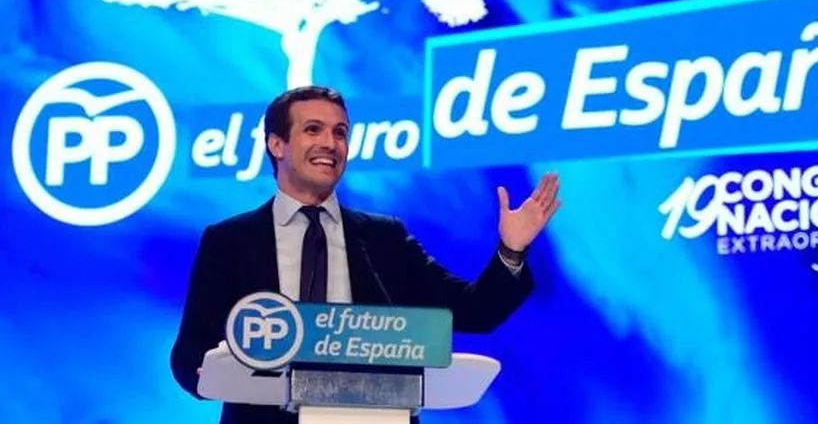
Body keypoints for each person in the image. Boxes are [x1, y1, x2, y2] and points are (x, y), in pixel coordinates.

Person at [170, 85, 561, 424]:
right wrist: (212, 376)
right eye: (313, 129)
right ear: (277, 144)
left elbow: (475, 311)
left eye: (340, 132)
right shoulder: (230, 241)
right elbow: (190, 355)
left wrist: (512, 249)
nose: (330, 143)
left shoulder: (384, 238)